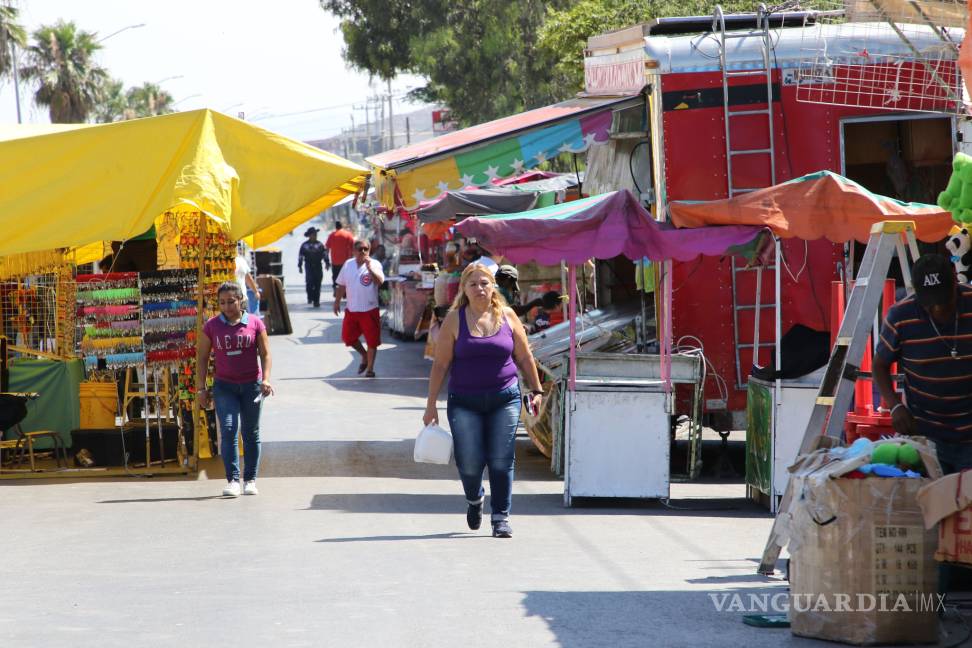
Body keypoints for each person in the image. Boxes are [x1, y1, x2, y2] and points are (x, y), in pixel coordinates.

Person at [423, 263, 544, 538]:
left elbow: (524, 356)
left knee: (502, 459)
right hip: (465, 401)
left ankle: (501, 517)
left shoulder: (508, 316)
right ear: (464, 290)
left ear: (493, 286)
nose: (479, 288)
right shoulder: (454, 320)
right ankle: (475, 498)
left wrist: (536, 390)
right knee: (469, 462)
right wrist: (430, 405)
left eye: (484, 283)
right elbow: (440, 365)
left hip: (505, 398)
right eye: (473, 284)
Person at [874, 253, 972, 474]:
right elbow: (879, 365)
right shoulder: (900, 315)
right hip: (925, 434)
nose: (937, 308)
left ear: (955, 282)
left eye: (943, 300)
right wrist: (895, 406)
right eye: (930, 302)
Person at [196, 282, 274, 497]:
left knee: (251, 432)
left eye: (231, 301)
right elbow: (202, 358)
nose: (227, 307)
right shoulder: (212, 326)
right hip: (224, 386)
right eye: (222, 302)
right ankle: (232, 480)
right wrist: (201, 389)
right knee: (229, 429)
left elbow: (265, 354)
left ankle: (250, 479)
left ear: (241, 301)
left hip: (252, 386)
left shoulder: (255, 323)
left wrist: (266, 380)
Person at [334, 239, 385, 377]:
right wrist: (337, 301)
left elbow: (380, 282)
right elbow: (341, 285)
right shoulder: (348, 264)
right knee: (348, 338)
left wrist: (370, 268)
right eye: (359, 249)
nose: (362, 251)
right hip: (352, 309)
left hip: (369, 309)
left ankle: (370, 369)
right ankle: (364, 355)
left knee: (372, 341)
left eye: (365, 249)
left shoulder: (375, 264)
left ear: (369, 251)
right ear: (354, 251)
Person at [494, 264, 561, 318]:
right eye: (513, 282)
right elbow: (514, 311)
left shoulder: (498, 289)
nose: (513, 287)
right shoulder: (502, 291)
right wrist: (533, 304)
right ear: (507, 279)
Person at [298, 227, 328, 308]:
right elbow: (301, 256)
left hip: (318, 266)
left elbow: (325, 254)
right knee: (309, 283)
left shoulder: (320, 245)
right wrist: (300, 266)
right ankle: (310, 297)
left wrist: (327, 263)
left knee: (318, 283)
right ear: (309, 235)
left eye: (316, 234)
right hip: (309, 266)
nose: (315, 236)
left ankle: (316, 301)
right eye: (313, 234)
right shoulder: (304, 245)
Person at [325, 220, 356, 290]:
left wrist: (327, 261)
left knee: (336, 279)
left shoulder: (332, 235)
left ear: (335, 226)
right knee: (346, 279)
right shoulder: (348, 235)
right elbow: (354, 247)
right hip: (346, 262)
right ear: (342, 226)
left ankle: (336, 290)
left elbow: (327, 248)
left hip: (335, 262)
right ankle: (345, 292)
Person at [235, 242, 262, 315]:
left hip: (243, 298)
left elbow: (248, 277)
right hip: (229, 300)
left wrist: (256, 291)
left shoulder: (241, 260)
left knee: (244, 320)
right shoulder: (226, 262)